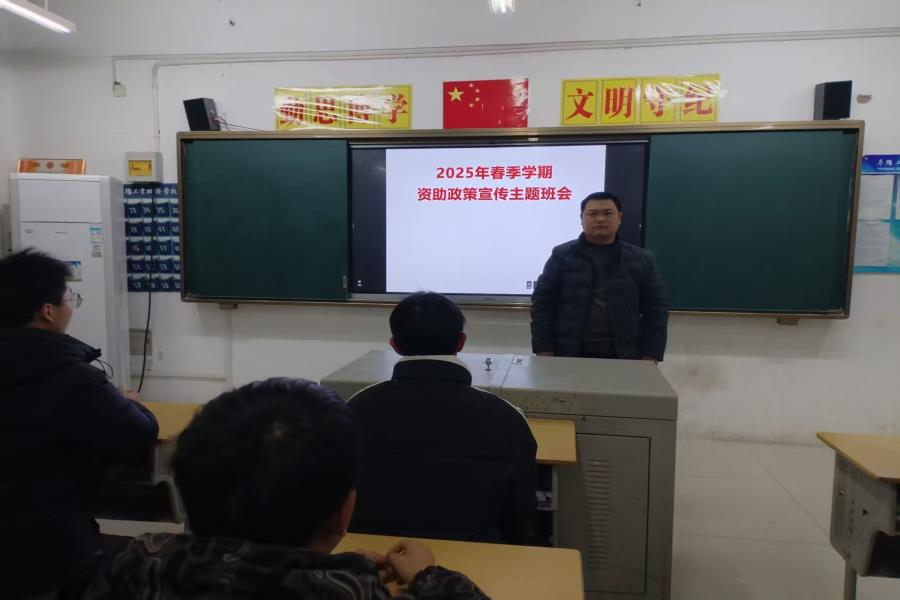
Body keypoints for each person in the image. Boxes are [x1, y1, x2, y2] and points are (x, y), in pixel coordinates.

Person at [83, 377, 489, 600]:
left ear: (182, 492)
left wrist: (343, 567)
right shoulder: (351, 593)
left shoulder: (133, 568)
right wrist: (429, 577)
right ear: (345, 509)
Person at [0, 249, 159, 599]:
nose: (71, 308)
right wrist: (129, 402)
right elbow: (140, 436)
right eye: (70, 299)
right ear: (47, 311)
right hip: (48, 550)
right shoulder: (71, 377)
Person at [348, 292, 537, 543]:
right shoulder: (506, 417)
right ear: (461, 342)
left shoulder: (355, 409)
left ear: (395, 345)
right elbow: (520, 517)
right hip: (475, 558)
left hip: (373, 557)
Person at [531, 191, 669, 361]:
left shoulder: (641, 259)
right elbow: (542, 304)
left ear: (619, 217)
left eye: (608, 213)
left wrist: (651, 355)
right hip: (569, 352)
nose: (600, 219)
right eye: (592, 214)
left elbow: (656, 310)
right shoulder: (562, 255)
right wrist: (544, 350)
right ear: (581, 218)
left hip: (626, 354)